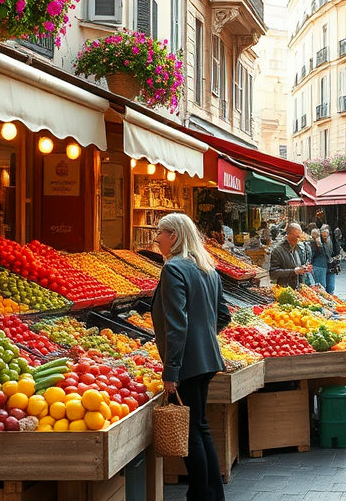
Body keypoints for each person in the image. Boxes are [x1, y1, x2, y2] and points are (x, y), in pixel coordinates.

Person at [150, 213, 231, 501]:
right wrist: (205, 335)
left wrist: (171, 370)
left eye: (159, 232)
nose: (156, 237)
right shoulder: (206, 267)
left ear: (173, 235)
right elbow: (224, 315)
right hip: (208, 358)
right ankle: (211, 493)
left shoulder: (173, 268)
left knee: (191, 432)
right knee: (199, 425)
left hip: (187, 362)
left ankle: (201, 494)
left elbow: (176, 323)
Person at [268, 223, 312, 287]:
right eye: (297, 236)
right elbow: (273, 274)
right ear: (289, 235)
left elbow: (295, 266)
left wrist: (303, 268)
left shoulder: (296, 247)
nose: (299, 239)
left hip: (296, 288)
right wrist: (294, 271)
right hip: (283, 289)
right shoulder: (277, 250)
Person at [323, 226, 341, 294]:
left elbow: (337, 251)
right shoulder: (320, 242)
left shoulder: (332, 241)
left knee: (330, 286)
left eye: (326, 233)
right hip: (323, 265)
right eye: (323, 233)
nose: (325, 235)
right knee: (323, 286)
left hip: (331, 265)